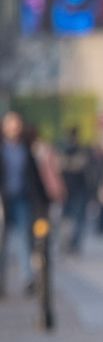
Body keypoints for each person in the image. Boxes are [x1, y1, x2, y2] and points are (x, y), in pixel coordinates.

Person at [1, 111, 51, 297]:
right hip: (3, 201)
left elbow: (34, 178)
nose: (13, 128)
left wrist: (43, 201)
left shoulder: (26, 149)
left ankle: (28, 278)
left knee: (24, 239)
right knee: (2, 244)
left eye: (16, 124)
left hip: (21, 199)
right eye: (10, 124)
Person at [60, 128, 91, 255]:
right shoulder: (77, 151)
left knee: (72, 219)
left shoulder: (67, 151)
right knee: (74, 219)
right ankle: (71, 244)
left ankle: (71, 244)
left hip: (74, 189)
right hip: (73, 189)